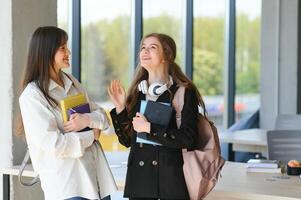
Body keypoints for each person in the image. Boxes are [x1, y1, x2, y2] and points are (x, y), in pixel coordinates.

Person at [18, 26, 117, 200]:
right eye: (62, 48)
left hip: (96, 182)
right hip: (68, 186)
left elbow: (102, 117)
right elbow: (55, 144)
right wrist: (91, 135)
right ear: (46, 51)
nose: (68, 52)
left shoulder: (71, 82)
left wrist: (86, 120)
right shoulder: (32, 95)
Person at [108, 33, 207, 200]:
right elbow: (127, 141)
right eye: (143, 48)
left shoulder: (183, 92)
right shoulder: (138, 92)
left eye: (152, 47)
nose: (145, 51)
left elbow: (189, 139)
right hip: (140, 185)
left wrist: (149, 128)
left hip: (170, 184)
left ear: (167, 55)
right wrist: (120, 108)